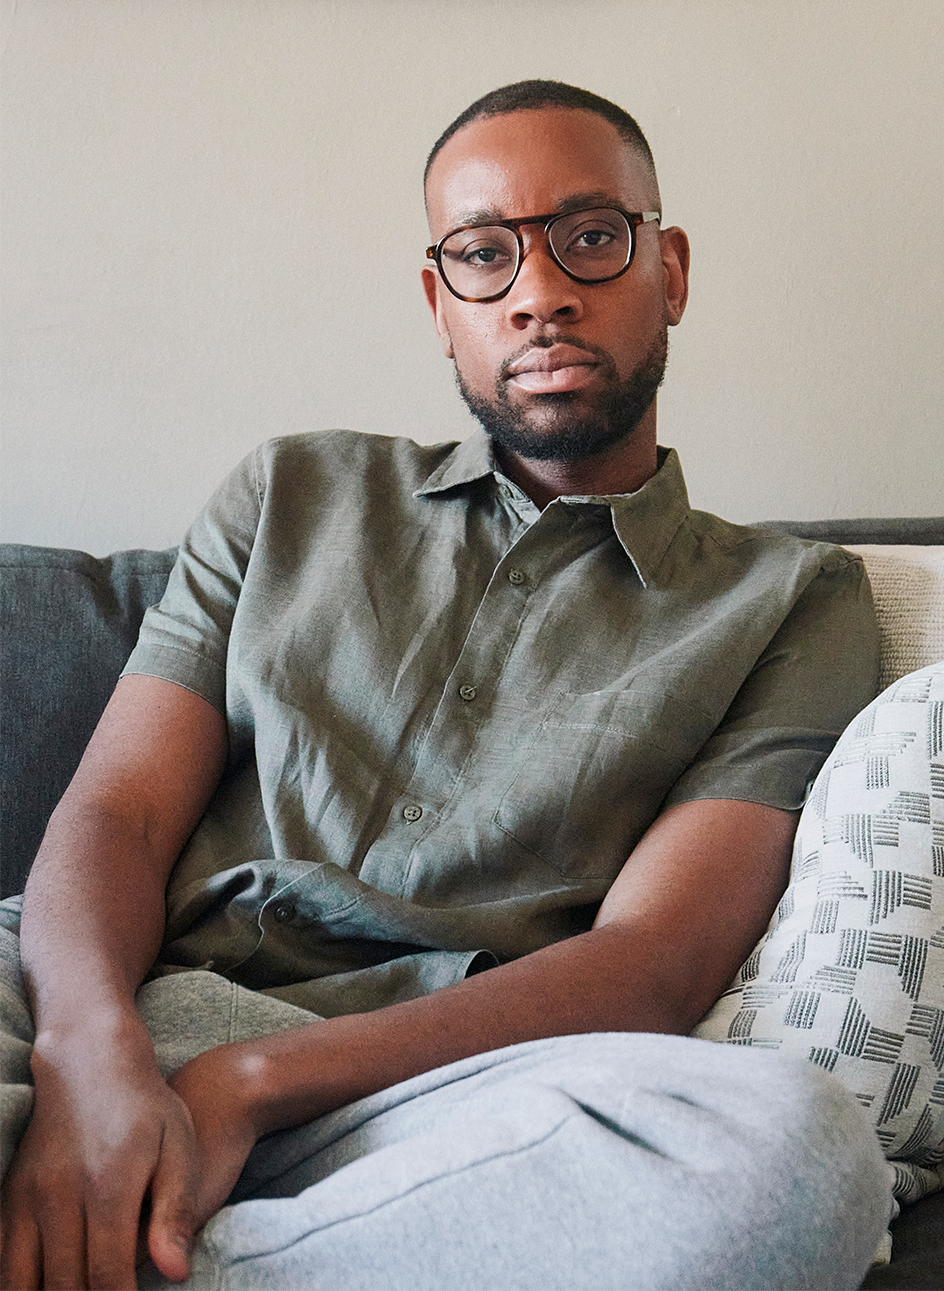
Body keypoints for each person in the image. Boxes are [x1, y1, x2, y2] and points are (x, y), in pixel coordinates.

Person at [0, 81, 892, 1291]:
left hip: (445, 1088)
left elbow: (654, 964)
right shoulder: (291, 493)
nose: (539, 292)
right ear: (441, 303)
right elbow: (116, 814)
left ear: (668, 271)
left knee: (799, 1149)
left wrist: (251, 1083)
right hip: (118, 994)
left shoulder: (791, 598)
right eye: (484, 254)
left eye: (590, 237)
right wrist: (90, 1054)